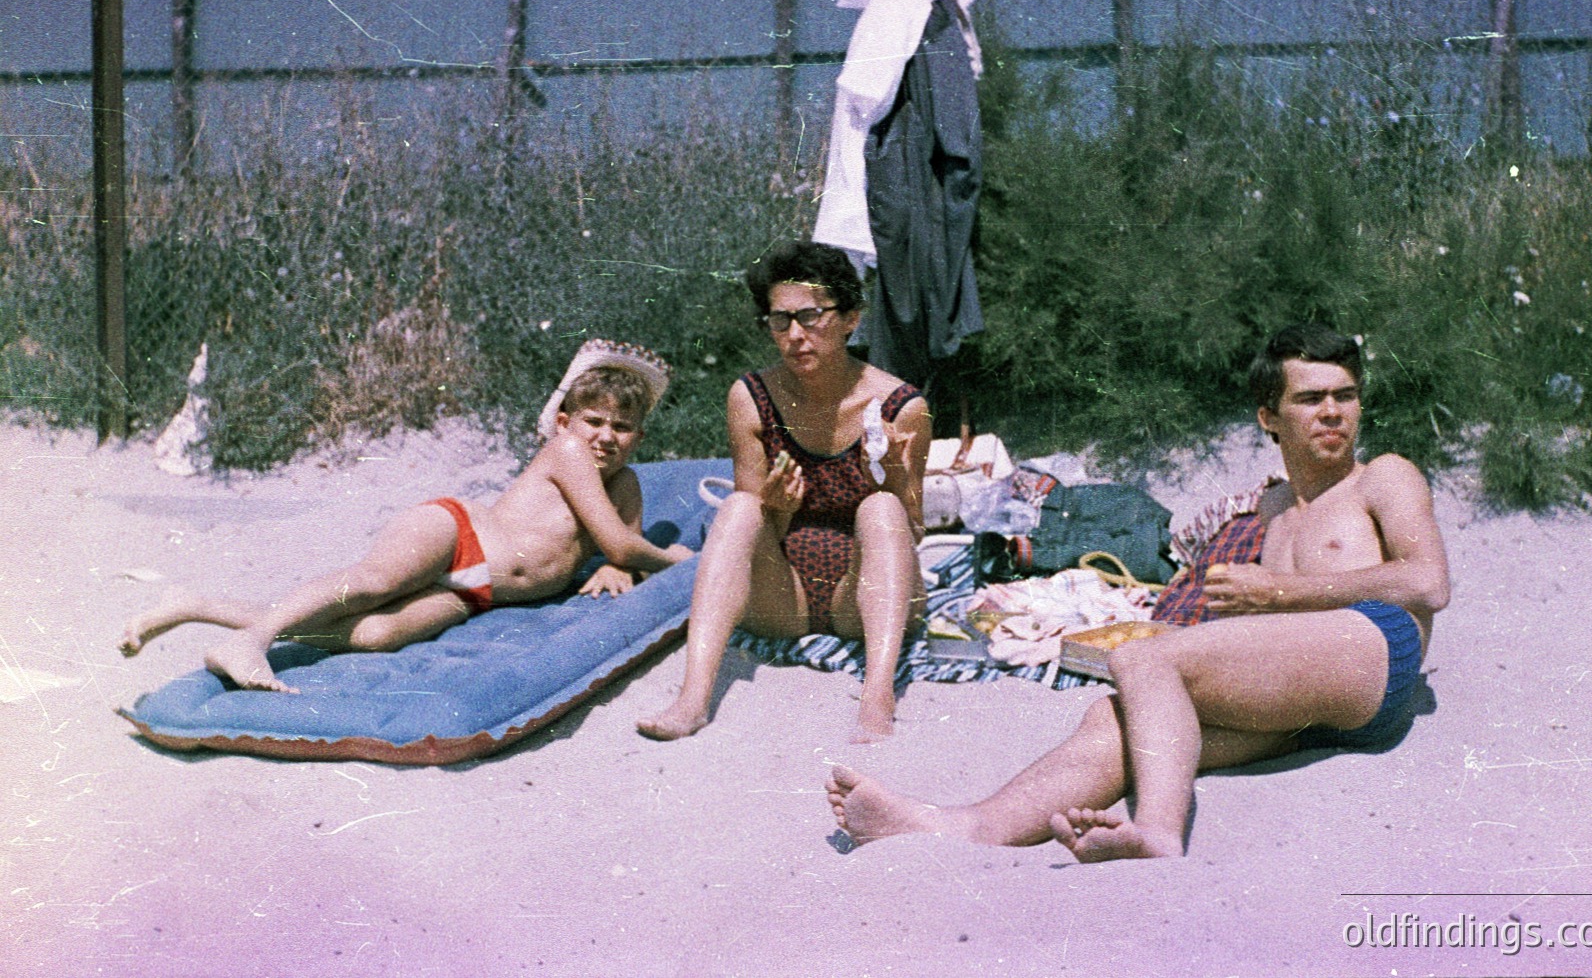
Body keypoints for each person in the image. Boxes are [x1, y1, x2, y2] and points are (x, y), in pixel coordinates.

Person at [827, 323, 1450, 858]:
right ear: (1269, 416)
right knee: (1118, 719)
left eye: (1346, 396)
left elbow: (1429, 582)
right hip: (1314, 704)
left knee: (1145, 660)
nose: (1334, 412)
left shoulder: (1383, 479)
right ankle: (957, 825)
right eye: (1311, 399)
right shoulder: (1271, 506)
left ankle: (1156, 832)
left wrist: (1277, 594)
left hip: (1378, 650)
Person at [119, 340, 695, 693]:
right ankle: (257, 640)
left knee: (376, 634)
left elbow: (624, 548)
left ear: (639, 436)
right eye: (594, 420)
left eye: (622, 428)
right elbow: (624, 544)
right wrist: (668, 559)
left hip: (481, 592)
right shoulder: (567, 453)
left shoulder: (626, 485)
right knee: (370, 585)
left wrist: (625, 570)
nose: (606, 437)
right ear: (565, 421)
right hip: (459, 533)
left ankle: (194, 607)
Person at [637, 241, 933, 744]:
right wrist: (775, 507)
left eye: (811, 317)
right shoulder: (752, 398)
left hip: (863, 602)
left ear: (850, 319)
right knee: (737, 506)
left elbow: (915, 531)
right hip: (782, 598)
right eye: (780, 321)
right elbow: (754, 529)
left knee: (881, 505)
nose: (795, 336)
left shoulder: (900, 407)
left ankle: (877, 698)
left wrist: (895, 477)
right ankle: (692, 699)